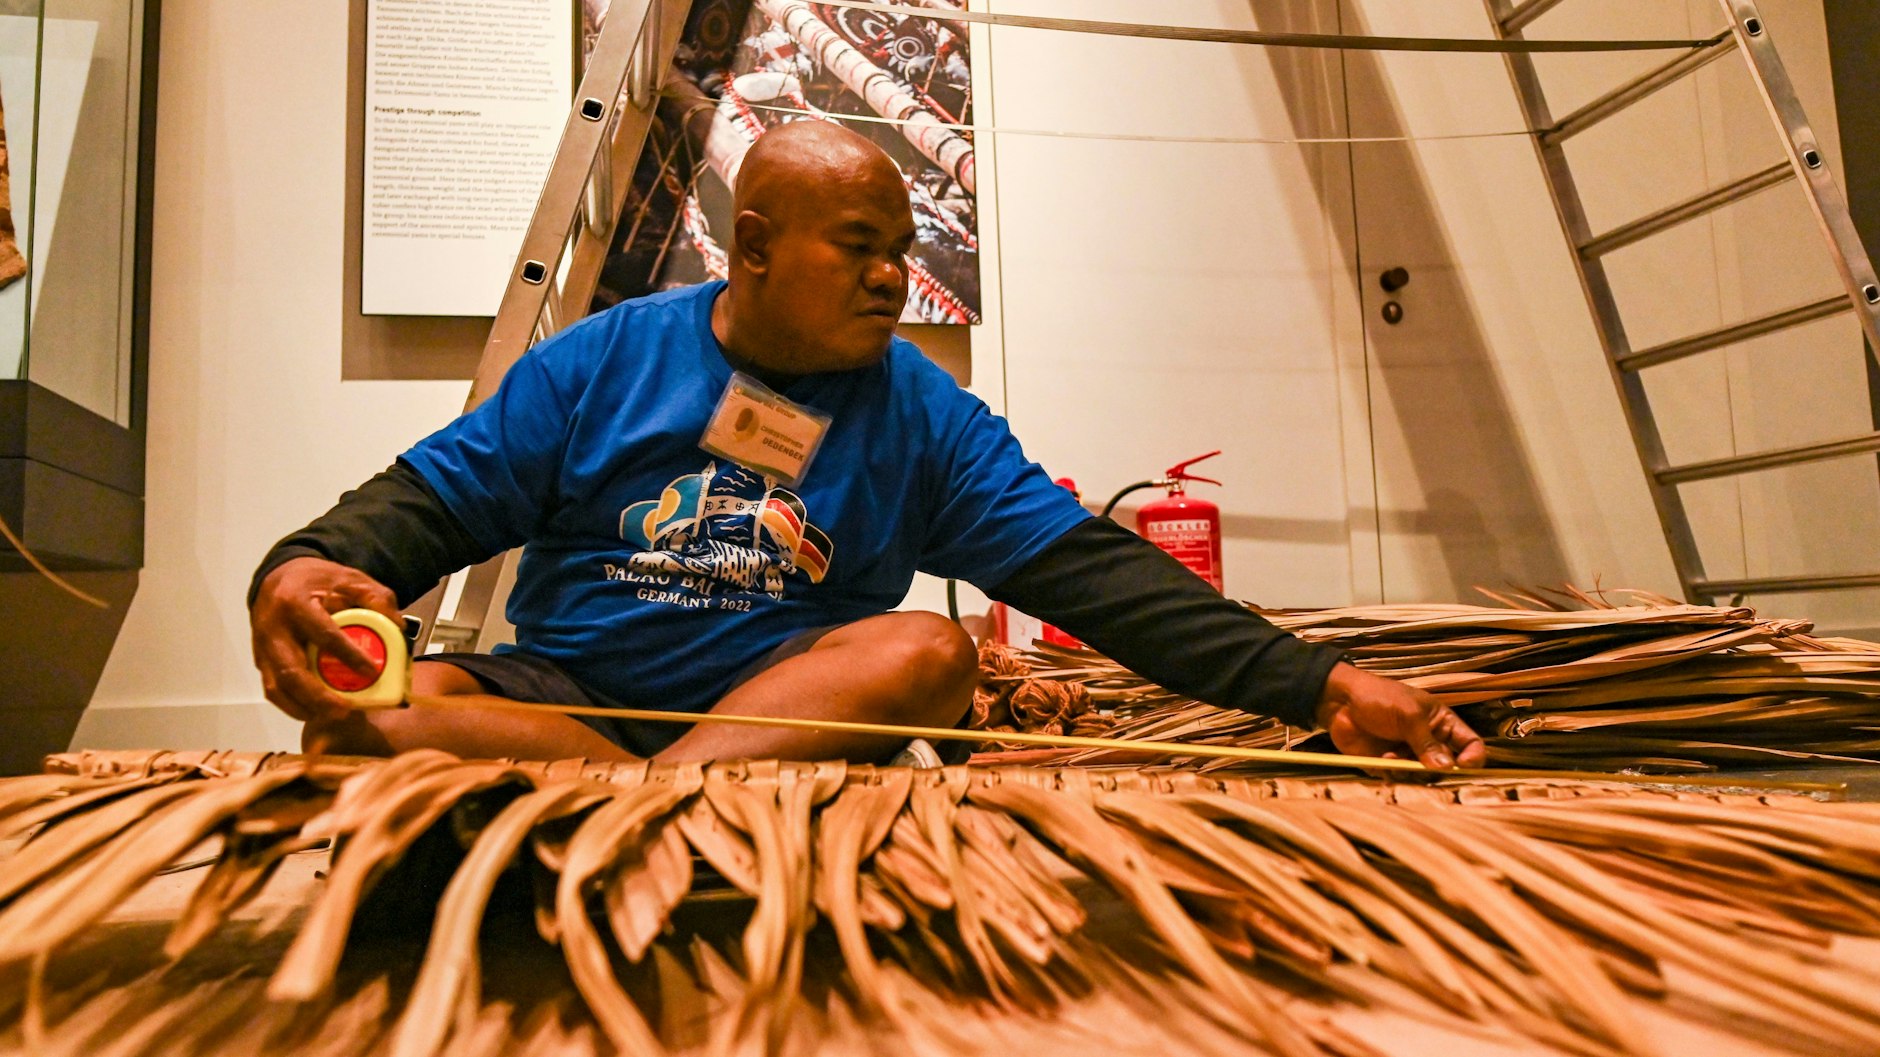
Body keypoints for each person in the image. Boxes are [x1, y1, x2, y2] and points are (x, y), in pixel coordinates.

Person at [248, 121, 1485, 771]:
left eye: (904, 249)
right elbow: (421, 507)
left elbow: (1093, 576)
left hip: (783, 715)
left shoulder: (924, 415)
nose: (896, 278)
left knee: (922, 647)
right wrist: (300, 571)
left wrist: (1319, 686)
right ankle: (665, 801)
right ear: (757, 247)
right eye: (860, 247)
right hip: (570, 703)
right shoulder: (601, 359)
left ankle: (653, 801)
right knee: (365, 725)